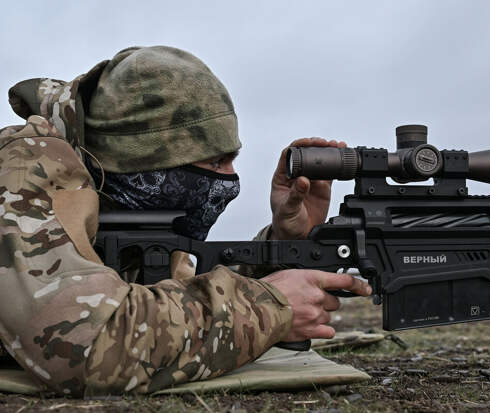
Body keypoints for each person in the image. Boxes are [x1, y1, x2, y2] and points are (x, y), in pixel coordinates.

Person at [0, 46, 371, 396]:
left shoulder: (128, 207)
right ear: (144, 165)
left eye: (231, 161)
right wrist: (268, 307)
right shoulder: (25, 168)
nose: (229, 181)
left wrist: (282, 248)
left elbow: (175, 305)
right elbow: (87, 347)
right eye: (214, 163)